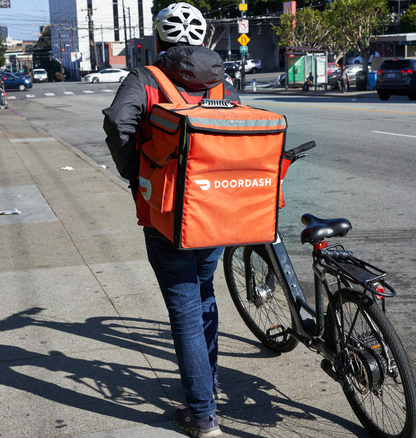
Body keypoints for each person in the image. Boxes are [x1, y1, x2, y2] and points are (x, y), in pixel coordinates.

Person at [102, 3, 240, 437]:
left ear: (159, 39)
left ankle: (201, 414)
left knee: (183, 307)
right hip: (215, 210)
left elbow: (117, 123)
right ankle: (211, 382)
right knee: (203, 294)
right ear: (201, 40)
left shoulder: (147, 78)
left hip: (167, 214)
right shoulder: (221, 80)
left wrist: (135, 172)